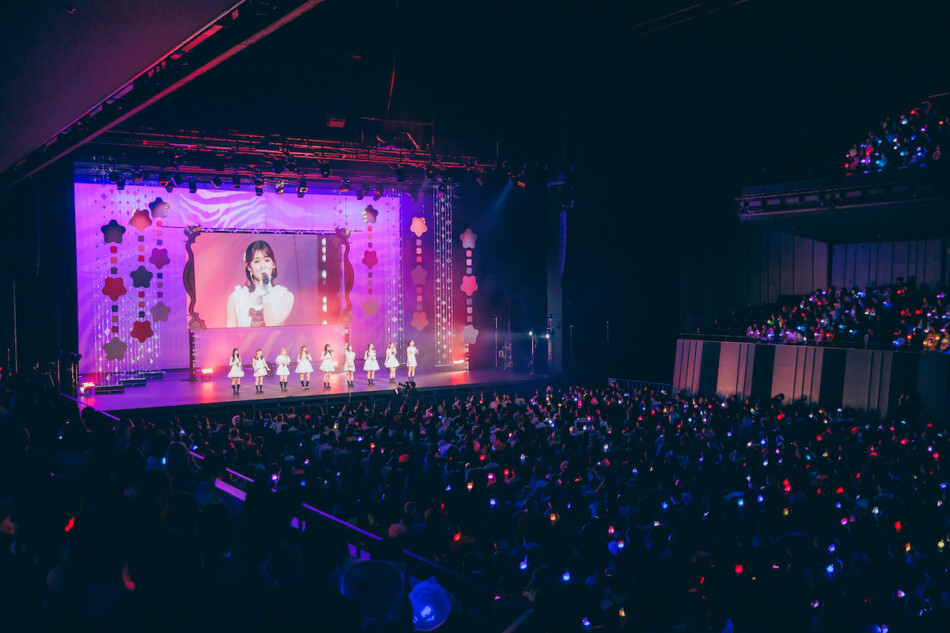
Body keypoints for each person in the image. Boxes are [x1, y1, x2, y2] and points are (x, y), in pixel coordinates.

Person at [226, 240, 295, 327]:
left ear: (273, 264)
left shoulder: (285, 296)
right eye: (257, 261)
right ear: (249, 267)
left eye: (267, 260)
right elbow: (229, 333)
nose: (263, 265)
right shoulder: (236, 298)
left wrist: (266, 292)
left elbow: (271, 325)